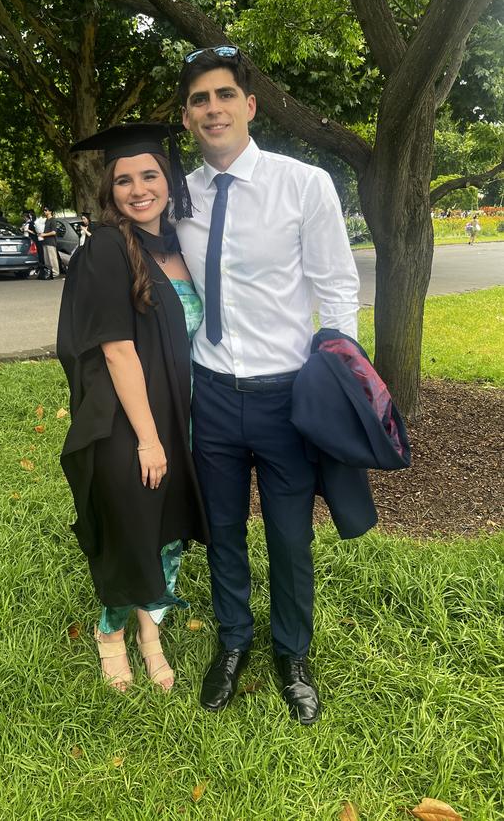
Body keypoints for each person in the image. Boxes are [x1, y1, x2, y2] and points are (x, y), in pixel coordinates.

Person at [176, 46, 361, 724]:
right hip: (213, 392)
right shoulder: (181, 194)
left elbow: (337, 284)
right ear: (188, 115)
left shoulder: (303, 184)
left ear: (250, 106)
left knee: (289, 537)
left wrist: (343, 376)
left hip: (288, 395)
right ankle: (233, 642)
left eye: (225, 95)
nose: (213, 108)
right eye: (200, 99)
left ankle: (292, 652)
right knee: (223, 529)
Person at [57, 123, 209, 692]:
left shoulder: (177, 245)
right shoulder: (105, 248)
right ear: (109, 189)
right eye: (124, 179)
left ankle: (152, 631)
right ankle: (111, 634)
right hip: (134, 416)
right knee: (133, 525)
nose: (138, 188)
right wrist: (148, 438)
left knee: (167, 528)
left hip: (187, 410)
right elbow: (118, 351)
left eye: (150, 175)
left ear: (168, 181)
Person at [39, 206, 61, 278]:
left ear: (50, 211)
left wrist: (44, 234)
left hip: (51, 242)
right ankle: (49, 272)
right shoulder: (46, 220)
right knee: (47, 259)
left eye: (46, 210)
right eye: (44, 210)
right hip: (45, 241)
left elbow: (54, 232)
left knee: (52, 258)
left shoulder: (53, 220)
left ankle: (55, 273)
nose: (44, 211)